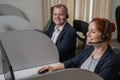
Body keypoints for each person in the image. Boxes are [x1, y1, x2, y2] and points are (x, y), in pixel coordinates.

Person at [38, 18, 120, 80]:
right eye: (88, 30)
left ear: (104, 36)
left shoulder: (111, 62)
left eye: (93, 32)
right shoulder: (89, 49)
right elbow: (74, 61)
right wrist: (54, 68)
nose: (88, 34)